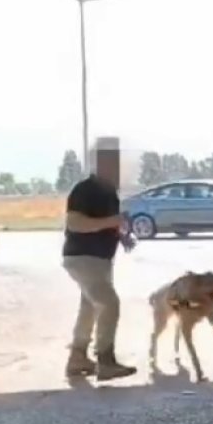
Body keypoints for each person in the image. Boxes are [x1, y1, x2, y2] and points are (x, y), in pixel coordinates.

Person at [62, 137, 137, 380]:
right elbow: (74, 222)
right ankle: (105, 361)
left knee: (90, 308)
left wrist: (120, 235)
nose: (117, 166)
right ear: (99, 162)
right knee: (108, 304)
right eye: (111, 160)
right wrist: (111, 222)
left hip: (100, 259)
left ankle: (77, 357)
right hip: (84, 258)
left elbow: (106, 223)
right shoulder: (85, 189)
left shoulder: (108, 192)